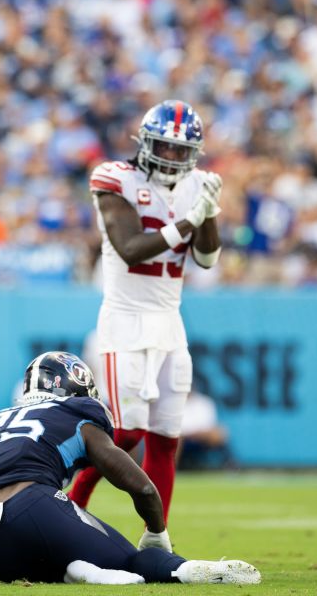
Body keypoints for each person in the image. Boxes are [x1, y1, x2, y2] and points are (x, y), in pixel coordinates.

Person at [0, 352, 260, 586]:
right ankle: (186, 570)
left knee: (52, 560)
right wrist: (157, 532)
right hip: (36, 507)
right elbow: (142, 486)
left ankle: (76, 570)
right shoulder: (77, 415)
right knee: (135, 561)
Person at [67, 100, 223, 545]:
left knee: (165, 437)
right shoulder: (115, 178)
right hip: (125, 320)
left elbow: (207, 258)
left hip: (169, 322)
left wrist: (207, 213)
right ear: (146, 143)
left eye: (181, 150)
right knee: (127, 433)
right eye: (165, 148)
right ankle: (73, 501)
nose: (172, 158)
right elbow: (131, 248)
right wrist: (188, 221)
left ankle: (157, 537)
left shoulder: (197, 186)